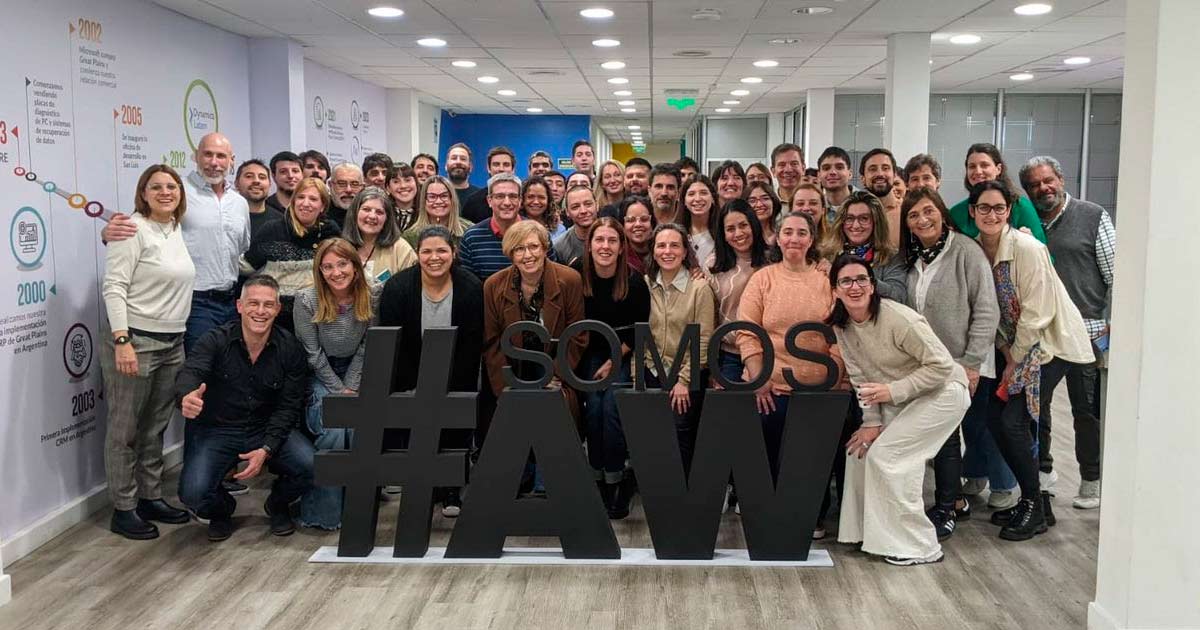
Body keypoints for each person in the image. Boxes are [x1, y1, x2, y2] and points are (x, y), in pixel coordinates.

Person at [970, 180, 1094, 540]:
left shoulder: (1027, 247)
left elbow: (1037, 313)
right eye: (983, 208)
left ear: (1009, 211)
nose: (991, 214)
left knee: (1013, 422)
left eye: (998, 208)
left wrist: (1014, 362)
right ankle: (1036, 502)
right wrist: (1006, 353)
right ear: (973, 212)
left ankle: (1034, 505)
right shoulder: (976, 251)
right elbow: (988, 312)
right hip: (1015, 346)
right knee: (996, 420)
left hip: (1049, 344)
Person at [828, 255, 971, 566]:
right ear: (835, 290)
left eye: (861, 279)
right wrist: (871, 421)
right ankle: (868, 534)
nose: (855, 287)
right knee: (860, 451)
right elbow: (859, 377)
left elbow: (941, 366)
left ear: (872, 285)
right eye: (846, 281)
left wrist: (892, 391)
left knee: (889, 457)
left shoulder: (900, 319)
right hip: (902, 398)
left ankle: (919, 546)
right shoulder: (843, 326)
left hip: (944, 393)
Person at [898, 187, 1002, 540]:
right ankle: (954, 501)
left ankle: (947, 507)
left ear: (942, 212)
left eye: (928, 211)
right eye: (913, 215)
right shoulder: (912, 258)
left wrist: (971, 363)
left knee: (946, 437)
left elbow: (986, 309)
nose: (922, 219)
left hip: (961, 362)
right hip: (926, 364)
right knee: (940, 435)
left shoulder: (965, 251)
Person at [177, 274, 312, 541]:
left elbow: (289, 407)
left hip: (265, 428)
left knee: (312, 467)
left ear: (278, 309)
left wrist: (267, 448)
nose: (260, 311)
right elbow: (191, 372)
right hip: (219, 429)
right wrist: (187, 395)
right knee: (192, 493)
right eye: (253, 303)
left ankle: (277, 504)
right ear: (239, 306)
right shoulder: (215, 340)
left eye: (268, 305)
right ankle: (222, 509)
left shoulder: (290, 348)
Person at [100, 164, 195, 540]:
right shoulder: (131, 229)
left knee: (154, 427)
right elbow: (114, 287)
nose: (165, 192)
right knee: (124, 430)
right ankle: (124, 508)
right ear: (143, 193)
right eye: (156, 187)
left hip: (173, 341)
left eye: (172, 186)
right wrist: (122, 341)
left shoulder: (174, 228)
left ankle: (150, 496)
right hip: (136, 341)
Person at [1019, 155, 1115, 509]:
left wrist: (1113, 324)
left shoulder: (1092, 216)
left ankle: (1091, 480)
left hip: (1086, 331)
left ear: (1060, 179)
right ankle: (1043, 471)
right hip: (1043, 333)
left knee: (1085, 410)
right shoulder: (1028, 223)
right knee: (1037, 408)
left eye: (1048, 180)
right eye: (1034, 185)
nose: (1043, 188)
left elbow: (1116, 273)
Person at [101, 132, 250, 352]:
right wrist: (108, 233)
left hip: (231, 301)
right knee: (199, 366)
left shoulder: (239, 203)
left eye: (221, 156)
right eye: (207, 154)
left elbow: (242, 248)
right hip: (194, 302)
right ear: (195, 156)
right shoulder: (177, 192)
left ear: (232, 160)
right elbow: (143, 225)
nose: (214, 162)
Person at [380, 226, 485, 517]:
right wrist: (416, 386)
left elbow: (471, 345)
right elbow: (394, 343)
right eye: (426, 251)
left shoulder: (470, 287)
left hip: (458, 373)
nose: (434, 257)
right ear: (417, 254)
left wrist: (448, 387)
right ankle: (421, 485)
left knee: (455, 422)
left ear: (454, 252)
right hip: (410, 374)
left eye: (441, 250)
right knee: (419, 428)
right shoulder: (398, 288)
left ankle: (452, 488)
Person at [738, 213, 844, 488]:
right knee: (769, 471)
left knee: (810, 473)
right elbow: (747, 332)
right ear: (777, 238)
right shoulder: (762, 279)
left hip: (819, 393)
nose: (794, 239)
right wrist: (759, 379)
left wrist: (830, 385)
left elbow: (841, 336)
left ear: (811, 239)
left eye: (801, 233)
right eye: (787, 232)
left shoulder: (828, 280)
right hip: (770, 393)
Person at [482, 220, 587, 493]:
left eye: (533, 247)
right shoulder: (493, 285)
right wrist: (505, 384)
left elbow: (577, 336)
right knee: (510, 408)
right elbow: (492, 342)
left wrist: (556, 374)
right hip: (513, 367)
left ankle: (546, 480)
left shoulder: (569, 280)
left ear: (544, 248)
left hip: (554, 366)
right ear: (510, 253)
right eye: (519, 249)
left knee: (554, 405)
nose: (527, 255)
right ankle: (520, 475)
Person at [293, 238, 379, 530]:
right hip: (320, 373)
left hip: (359, 369)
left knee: (357, 427)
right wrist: (339, 390)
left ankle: (357, 509)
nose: (336, 272)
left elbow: (369, 344)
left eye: (342, 264)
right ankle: (324, 514)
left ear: (355, 266)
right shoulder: (306, 300)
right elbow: (312, 354)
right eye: (327, 267)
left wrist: (351, 385)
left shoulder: (373, 294)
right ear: (320, 271)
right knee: (333, 427)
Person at [571, 218, 650, 519]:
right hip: (586, 353)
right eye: (599, 240)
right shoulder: (576, 273)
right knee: (593, 409)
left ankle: (616, 479)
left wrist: (612, 362)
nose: (605, 246)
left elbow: (639, 331)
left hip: (622, 353)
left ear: (621, 247)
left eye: (612, 241)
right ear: (589, 245)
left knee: (611, 408)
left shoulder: (634, 281)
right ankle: (596, 475)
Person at [643, 224, 715, 472]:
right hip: (651, 371)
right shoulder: (645, 284)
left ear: (685, 251)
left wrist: (684, 380)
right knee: (652, 435)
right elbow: (639, 333)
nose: (667, 251)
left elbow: (704, 339)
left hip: (685, 374)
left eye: (674, 245)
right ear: (653, 251)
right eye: (661, 245)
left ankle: (683, 489)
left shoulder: (700, 289)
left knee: (680, 433)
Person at [244, 177, 341, 330]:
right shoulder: (272, 230)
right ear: (293, 201)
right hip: (276, 318)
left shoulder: (330, 232)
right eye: (301, 197)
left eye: (313, 199)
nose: (305, 203)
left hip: (316, 316)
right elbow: (246, 268)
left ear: (322, 206)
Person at [708, 200, 770, 385]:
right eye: (730, 229)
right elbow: (710, 318)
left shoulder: (774, 260)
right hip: (729, 356)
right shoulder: (712, 266)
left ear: (753, 225)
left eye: (743, 225)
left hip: (769, 353)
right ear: (723, 234)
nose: (738, 233)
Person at [818, 191, 907, 301]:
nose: (855, 225)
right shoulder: (827, 254)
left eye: (864, 218)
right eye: (849, 218)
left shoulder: (891, 256)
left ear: (876, 222)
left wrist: (860, 277)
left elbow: (898, 296)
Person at [949, 143, 1046, 242]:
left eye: (984, 165)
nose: (978, 171)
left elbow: (1042, 250)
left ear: (998, 169)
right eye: (972, 166)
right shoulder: (956, 213)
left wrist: (1030, 243)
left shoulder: (1021, 207)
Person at [342, 186, 417, 284]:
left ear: (387, 219)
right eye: (366, 209)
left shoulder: (401, 249)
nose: (372, 216)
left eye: (379, 212)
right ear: (355, 213)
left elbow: (413, 286)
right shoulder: (342, 248)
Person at [459, 173, 527, 280]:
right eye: (500, 196)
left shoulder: (538, 234)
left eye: (513, 196)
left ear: (520, 201)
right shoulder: (471, 238)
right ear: (489, 201)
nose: (507, 202)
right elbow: (468, 284)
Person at [403, 175, 472, 248]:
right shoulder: (409, 237)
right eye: (432, 197)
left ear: (452, 199)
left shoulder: (470, 231)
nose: (438, 201)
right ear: (424, 200)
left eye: (444, 196)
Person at [859, 148, 901, 249]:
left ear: (894, 175)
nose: (880, 174)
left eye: (885, 168)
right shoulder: (853, 214)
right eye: (873, 169)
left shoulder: (906, 212)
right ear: (863, 179)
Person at [461, 146, 516, 223]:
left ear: (513, 169)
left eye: (506, 165)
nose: (501, 169)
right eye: (496, 164)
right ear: (488, 168)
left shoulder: (522, 201)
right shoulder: (473, 202)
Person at [680, 174, 720, 267]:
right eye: (691, 194)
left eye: (703, 193)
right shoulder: (676, 233)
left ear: (713, 198)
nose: (697, 199)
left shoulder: (723, 231)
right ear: (684, 200)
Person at [235, 159, 282, 238]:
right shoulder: (225, 217)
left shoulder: (280, 221)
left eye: (262, 177)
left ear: (270, 184)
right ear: (236, 184)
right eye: (249, 176)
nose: (256, 181)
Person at [553, 184, 599, 265]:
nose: (583, 211)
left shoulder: (614, 235)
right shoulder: (559, 246)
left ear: (597, 205)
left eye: (588, 204)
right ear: (567, 212)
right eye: (575, 207)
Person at [618, 195, 655, 274]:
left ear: (652, 224)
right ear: (622, 225)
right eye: (631, 220)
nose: (638, 224)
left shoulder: (662, 252)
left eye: (644, 219)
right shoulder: (618, 258)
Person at [817, 146, 855, 214]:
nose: (832, 172)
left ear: (850, 174)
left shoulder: (867, 203)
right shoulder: (815, 207)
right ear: (819, 175)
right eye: (826, 168)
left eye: (839, 167)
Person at [327, 162, 366, 227]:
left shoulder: (369, 215)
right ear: (330, 185)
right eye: (342, 184)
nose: (348, 190)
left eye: (354, 184)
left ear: (363, 187)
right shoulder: (319, 213)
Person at [746, 181, 782, 249]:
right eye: (752, 201)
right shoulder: (743, 237)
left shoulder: (783, 234)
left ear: (774, 202)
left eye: (765, 198)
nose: (759, 205)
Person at [771, 143, 805, 210]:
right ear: (773, 171)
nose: (788, 170)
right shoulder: (767, 204)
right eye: (782, 165)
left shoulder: (817, 202)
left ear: (803, 169)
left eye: (794, 164)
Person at [386, 163, 419, 232]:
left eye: (407, 180)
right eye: (396, 182)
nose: (403, 186)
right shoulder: (383, 213)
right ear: (388, 188)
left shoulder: (427, 212)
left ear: (416, 183)